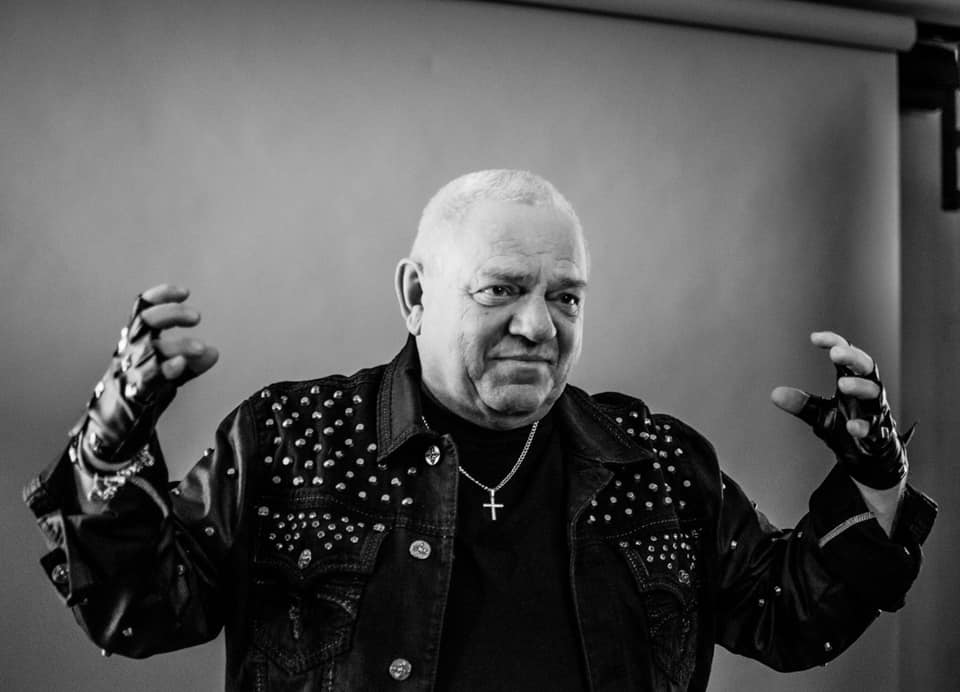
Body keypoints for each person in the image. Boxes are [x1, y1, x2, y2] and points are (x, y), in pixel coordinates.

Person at [24, 169, 936, 691]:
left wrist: (877, 480)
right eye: (501, 289)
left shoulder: (654, 459)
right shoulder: (289, 438)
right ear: (416, 294)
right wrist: (110, 444)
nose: (538, 325)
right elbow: (144, 613)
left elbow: (786, 616)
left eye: (565, 296)